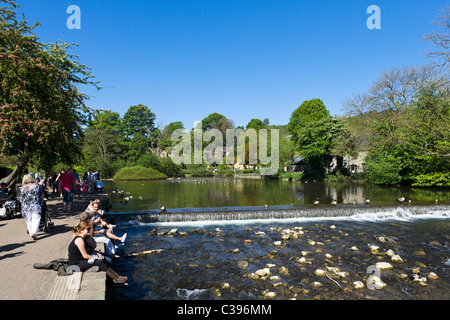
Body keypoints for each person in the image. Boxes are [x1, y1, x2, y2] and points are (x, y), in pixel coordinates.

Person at [20, 174, 45, 240]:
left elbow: (21, 199)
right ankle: (34, 232)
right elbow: (41, 194)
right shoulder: (37, 186)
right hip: (35, 205)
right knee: (36, 218)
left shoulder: (22, 188)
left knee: (28, 220)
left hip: (26, 206)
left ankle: (31, 233)